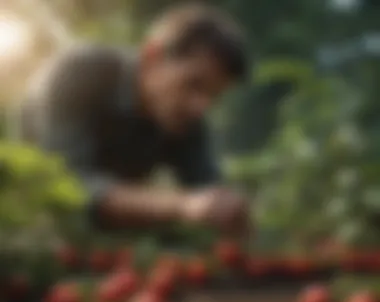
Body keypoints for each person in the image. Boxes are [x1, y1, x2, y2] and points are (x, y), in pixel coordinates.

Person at [19, 3, 252, 239]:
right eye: (193, 84)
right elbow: (70, 186)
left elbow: (208, 191)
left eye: (213, 96)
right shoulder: (79, 73)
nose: (200, 107)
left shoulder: (187, 118)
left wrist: (227, 210)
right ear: (152, 56)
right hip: (30, 229)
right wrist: (181, 206)